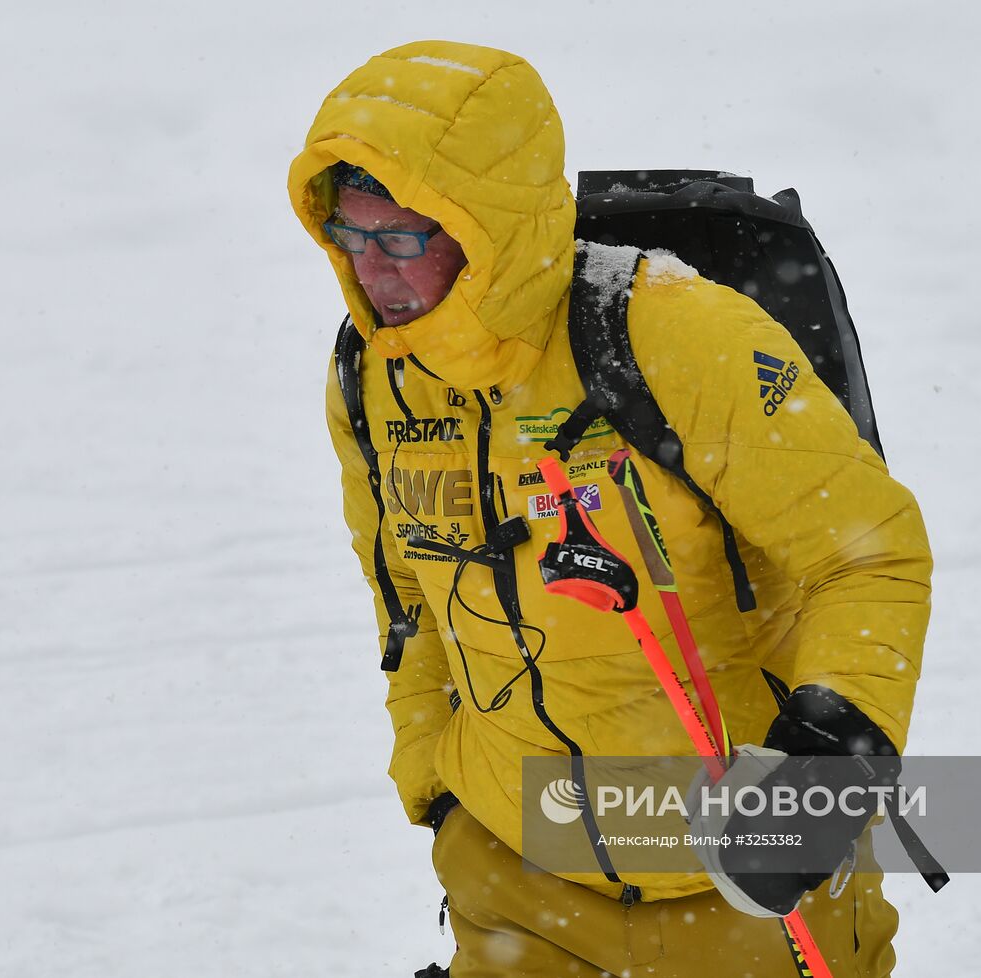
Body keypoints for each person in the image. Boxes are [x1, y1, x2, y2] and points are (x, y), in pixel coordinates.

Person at [288, 40, 932, 977]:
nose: (371, 272)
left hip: (747, 891)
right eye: (350, 237)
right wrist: (435, 781)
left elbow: (866, 556)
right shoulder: (373, 376)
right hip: (517, 887)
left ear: (488, 228)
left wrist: (818, 784)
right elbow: (404, 597)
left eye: (400, 239)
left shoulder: (674, 334)